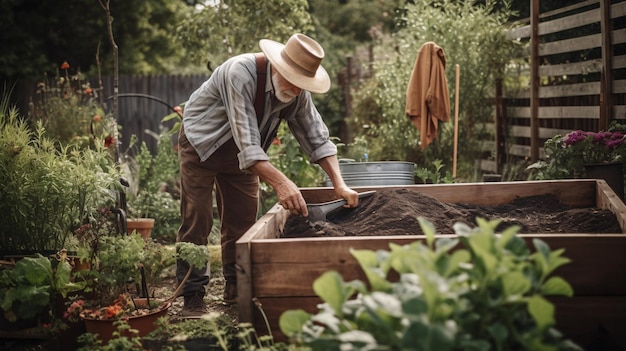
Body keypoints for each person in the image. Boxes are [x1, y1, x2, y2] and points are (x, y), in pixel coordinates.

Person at [176, 33, 360, 317]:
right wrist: (282, 182)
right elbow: (248, 145)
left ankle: (236, 287)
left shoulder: (296, 93)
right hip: (201, 146)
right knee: (197, 219)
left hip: (244, 158)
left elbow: (317, 138)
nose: (298, 91)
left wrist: (340, 184)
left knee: (243, 222)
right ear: (278, 67)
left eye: (304, 85)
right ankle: (192, 295)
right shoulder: (240, 73)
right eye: (295, 82)